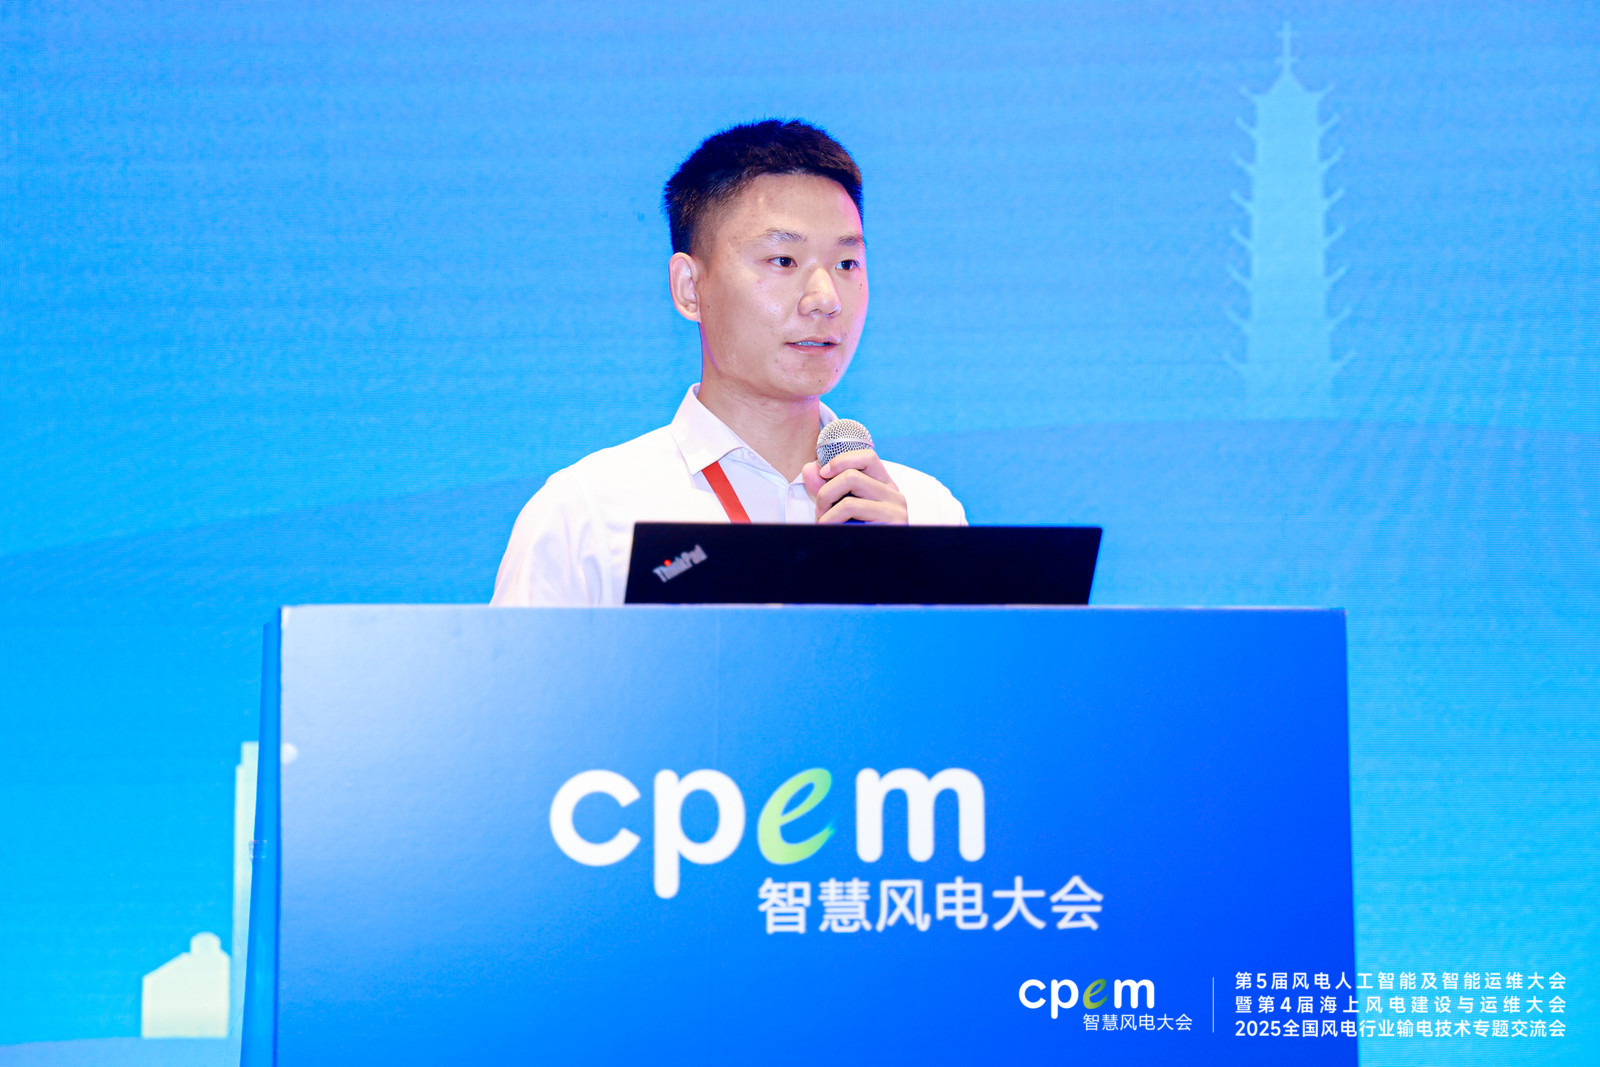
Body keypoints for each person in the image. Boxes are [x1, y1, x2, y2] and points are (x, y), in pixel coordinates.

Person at [491, 120, 966, 606]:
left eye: (847, 264)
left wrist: (913, 580)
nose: (826, 299)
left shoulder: (926, 514)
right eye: (783, 261)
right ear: (689, 288)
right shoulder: (588, 518)